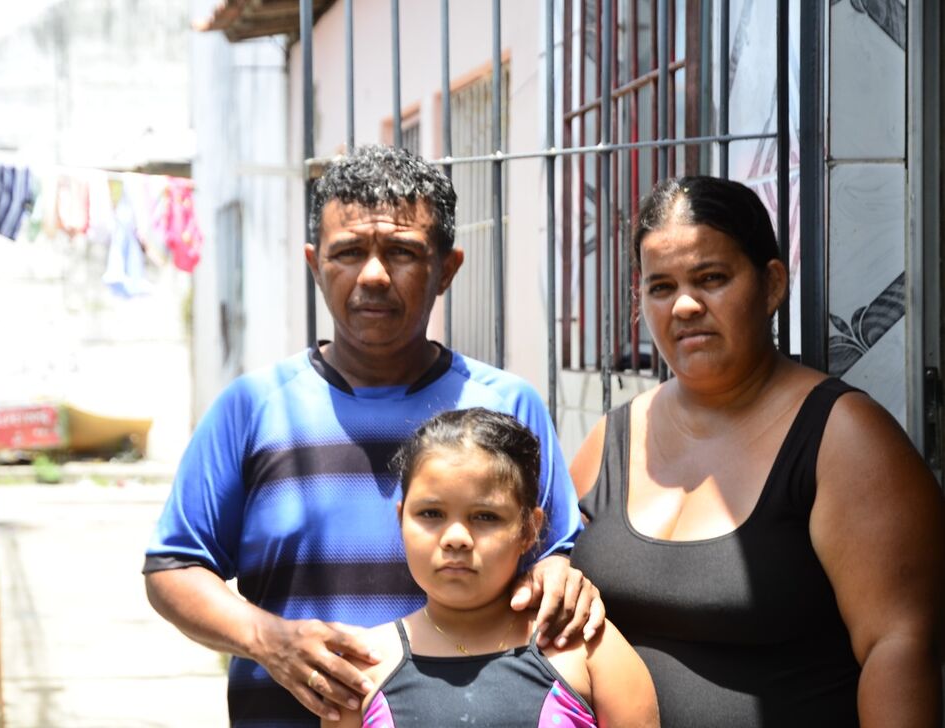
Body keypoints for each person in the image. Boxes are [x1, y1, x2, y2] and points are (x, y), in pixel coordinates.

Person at [143, 145, 603, 727]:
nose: (374, 275)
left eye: (403, 252)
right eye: (349, 252)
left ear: (447, 267)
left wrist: (559, 574)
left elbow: (555, 557)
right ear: (315, 264)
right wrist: (269, 640)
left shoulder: (507, 405)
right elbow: (173, 568)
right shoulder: (253, 408)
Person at [568, 175, 945, 727]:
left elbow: (900, 648)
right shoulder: (612, 439)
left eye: (711, 278)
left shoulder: (843, 438)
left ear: (771, 285)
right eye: (661, 287)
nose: (686, 306)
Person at [323, 408, 659, 728]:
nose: (456, 538)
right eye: (431, 514)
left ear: (529, 530)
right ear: (400, 518)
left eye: (485, 517)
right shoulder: (361, 667)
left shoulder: (587, 648)